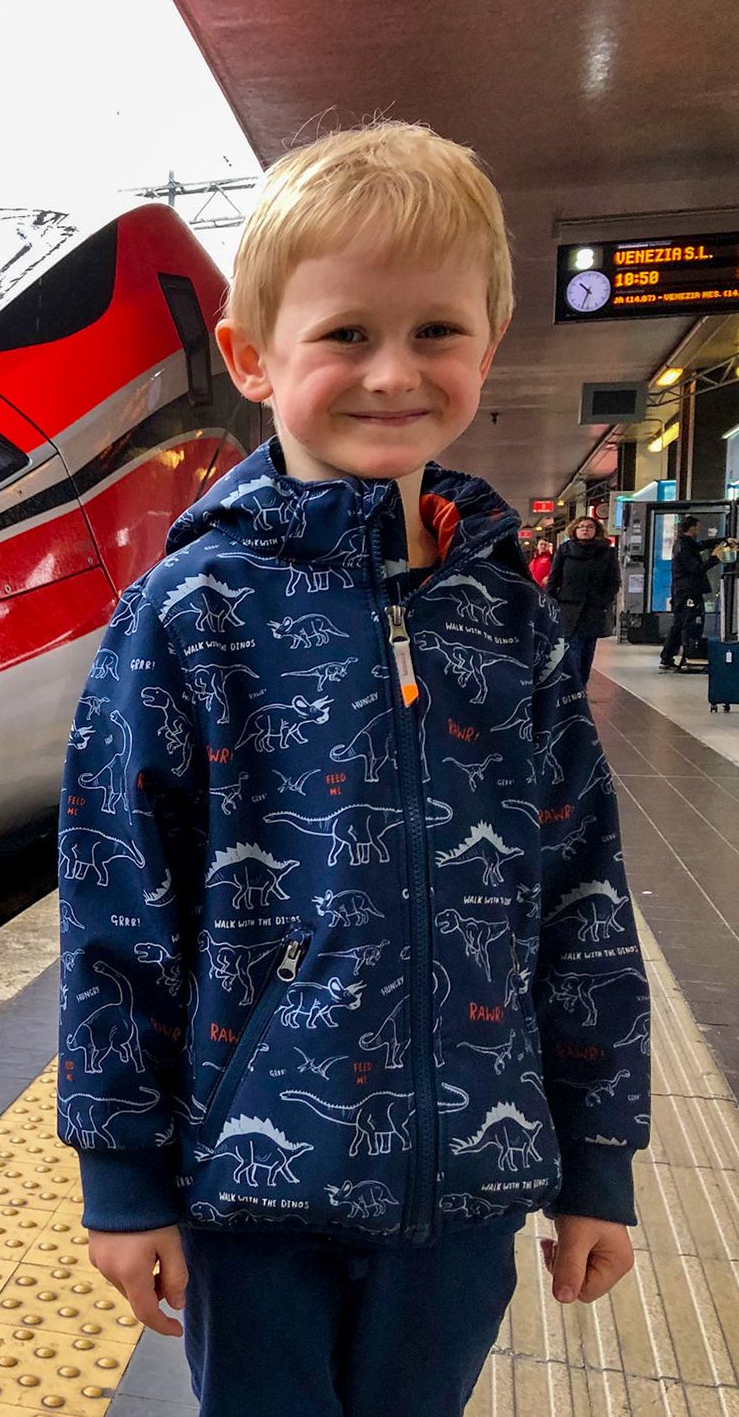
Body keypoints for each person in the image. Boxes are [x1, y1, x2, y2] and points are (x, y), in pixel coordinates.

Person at [60, 121, 648, 1417]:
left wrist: (597, 1158)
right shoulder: (189, 614)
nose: (393, 371)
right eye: (344, 333)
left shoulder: (511, 623)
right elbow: (117, 906)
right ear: (251, 358)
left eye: (436, 329)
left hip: (466, 1190)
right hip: (253, 1192)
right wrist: (121, 1173)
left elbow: (582, 897)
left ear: (490, 345)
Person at [548, 516, 618, 681]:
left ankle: (581, 686)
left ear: (596, 531)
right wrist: (551, 601)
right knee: (573, 650)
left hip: (594, 609)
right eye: (581, 526)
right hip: (569, 609)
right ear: (574, 530)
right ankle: (574, 687)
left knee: (587, 651)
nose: (585, 529)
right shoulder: (565, 550)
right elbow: (554, 577)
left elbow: (613, 581)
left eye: (590, 526)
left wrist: (604, 600)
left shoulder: (606, 552)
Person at [658, 515, 721, 671]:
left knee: (679, 624)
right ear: (692, 528)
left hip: (683, 592)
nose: (698, 531)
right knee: (690, 624)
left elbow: (702, 545)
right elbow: (696, 569)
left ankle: (668, 657)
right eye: (697, 528)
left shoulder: (684, 544)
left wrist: (723, 540)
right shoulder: (684, 548)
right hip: (688, 593)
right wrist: (714, 558)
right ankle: (688, 655)